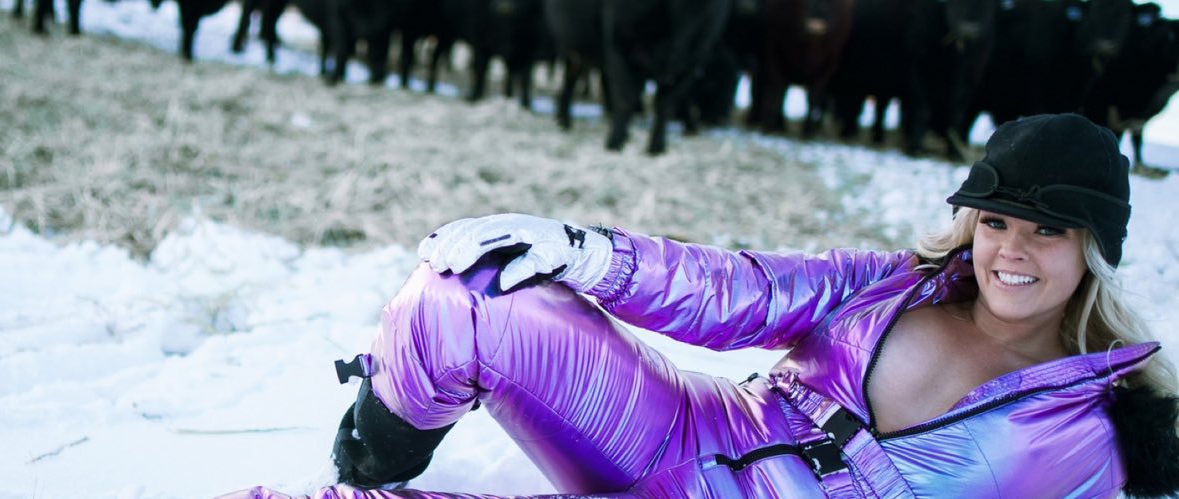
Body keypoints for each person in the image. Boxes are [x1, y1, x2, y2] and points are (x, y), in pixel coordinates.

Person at [222, 113, 1179, 498]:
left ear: (1094, 251)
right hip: (677, 432)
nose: (1013, 250)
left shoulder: (1087, 434)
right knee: (476, 291)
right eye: (998, 219)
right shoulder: (894, 284)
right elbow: (740, 292)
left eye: (1048, 232)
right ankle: (372, 450)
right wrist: (583, 252)